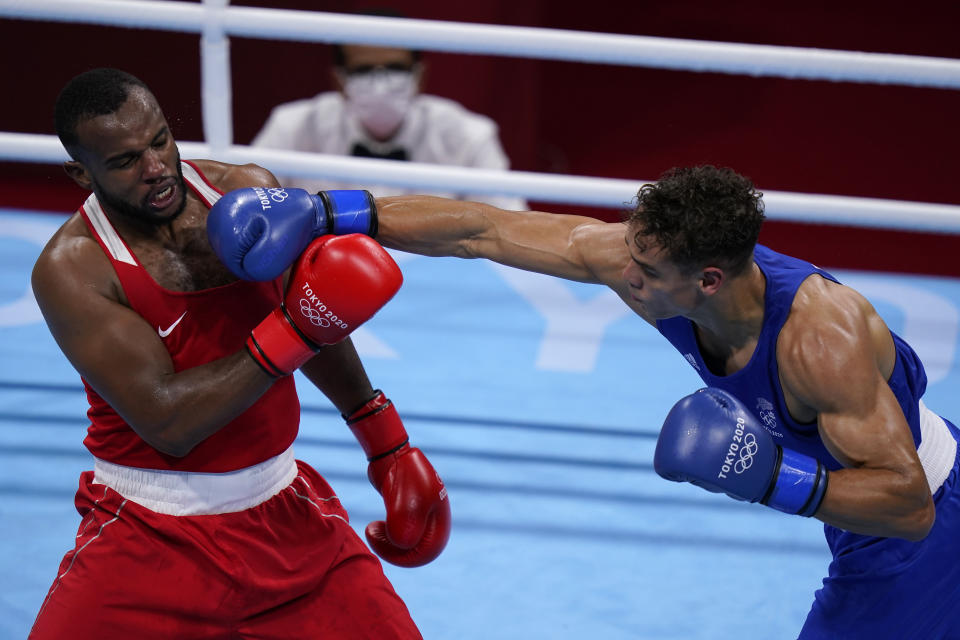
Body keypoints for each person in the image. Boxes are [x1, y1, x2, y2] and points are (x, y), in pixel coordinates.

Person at [208, 165, 960, 638]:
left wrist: (771, 479)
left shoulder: (819, 340)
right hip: (872, 495)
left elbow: (907, 506)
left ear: (708, 280)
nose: (621, 275)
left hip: (914, 522)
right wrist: (334, 211)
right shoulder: (648, 266)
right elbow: (483, 230)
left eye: (644, 268)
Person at [28, 67, 450, 639]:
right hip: (148, 536)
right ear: (82, 172)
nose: (155, 169)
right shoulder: (75, 268)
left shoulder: (244, 192)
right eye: (126, 161)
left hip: (283, 516)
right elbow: (169, 420)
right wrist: (295, 327)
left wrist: (386, 442)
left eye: (159, 142)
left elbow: (313, 316)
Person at [251, 22, 527, 211]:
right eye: (364, 71)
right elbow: (243, 207)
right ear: (339, 82)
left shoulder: (468, 135)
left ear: (420, 77)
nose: (380, 85)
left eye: (395, 68)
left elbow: (510, 223)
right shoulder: (293, 126)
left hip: (441, 282)